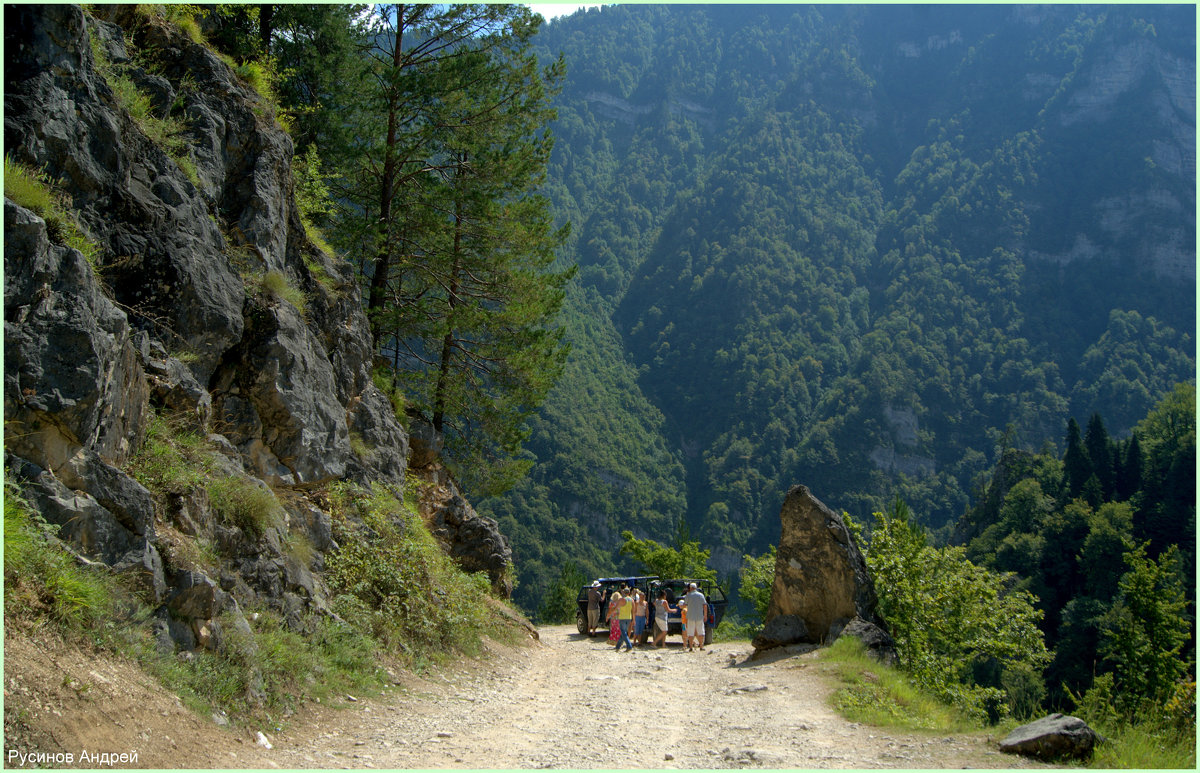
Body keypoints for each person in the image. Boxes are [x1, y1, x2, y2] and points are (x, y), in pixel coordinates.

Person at [683, 582, 707, 651]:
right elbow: (705, 605)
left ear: (690, 588)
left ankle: (690, 647)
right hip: (699, 615)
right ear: (696, 588)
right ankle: (701, 646)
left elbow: (685, 605)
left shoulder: (688, 595)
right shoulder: (701, 595)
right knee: (701, 631)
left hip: (690, 616)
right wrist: (705, 615)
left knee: (691, 632)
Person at [614, 586, 634, 652]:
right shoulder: (632, 600)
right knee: (624, 632)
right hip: (629, 617)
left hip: (622, 617)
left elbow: (616, 607)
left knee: (623, 632)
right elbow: (633, 611)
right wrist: (633, 619)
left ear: (623, 592)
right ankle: (618, 646)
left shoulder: (622, 600)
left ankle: (629, 646)